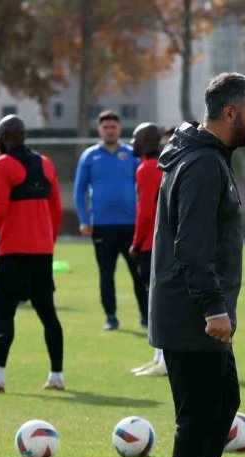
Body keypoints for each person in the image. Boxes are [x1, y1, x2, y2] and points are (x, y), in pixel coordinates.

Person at [150, 73, 245, 457]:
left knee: (221, 405)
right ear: (230, 113)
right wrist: (214, 307)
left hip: (198, 312)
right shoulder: (201, 164)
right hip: (192, 313)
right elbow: (192, 245)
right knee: (198, 418)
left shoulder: (207, 158)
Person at [0, 115, 65, 394]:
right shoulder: (46, 163)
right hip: (42, 252)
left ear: (2, 138)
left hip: (14, 252)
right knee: (48, 313)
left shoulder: (2, 164)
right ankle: (57, 376)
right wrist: (49, 240)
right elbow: (56, 208)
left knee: (3, 314)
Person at [74, 110, 146, 331]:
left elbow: (143, 185)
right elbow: (79, 190)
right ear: (100, 130)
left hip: (131, 225)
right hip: (102, 225)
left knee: (139, 273)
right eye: (105, 127)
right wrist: (84, 219)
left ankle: (146, 316)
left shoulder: (132, 154)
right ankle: (111, 317)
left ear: (119, 129)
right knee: (106, 273)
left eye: (113, 127)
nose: (110, 130)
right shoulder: (89, 156)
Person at [128, 122, 166, 378]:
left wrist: (136, 241)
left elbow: (146, 212)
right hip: (162, 241)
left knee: (158, 301)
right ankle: (158, 357)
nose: (132, 142)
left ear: (146, 141)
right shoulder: (160, 164)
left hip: (152, 242)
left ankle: (164, 359)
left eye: (136, 137)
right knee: (158, 300)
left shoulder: (147, 168)